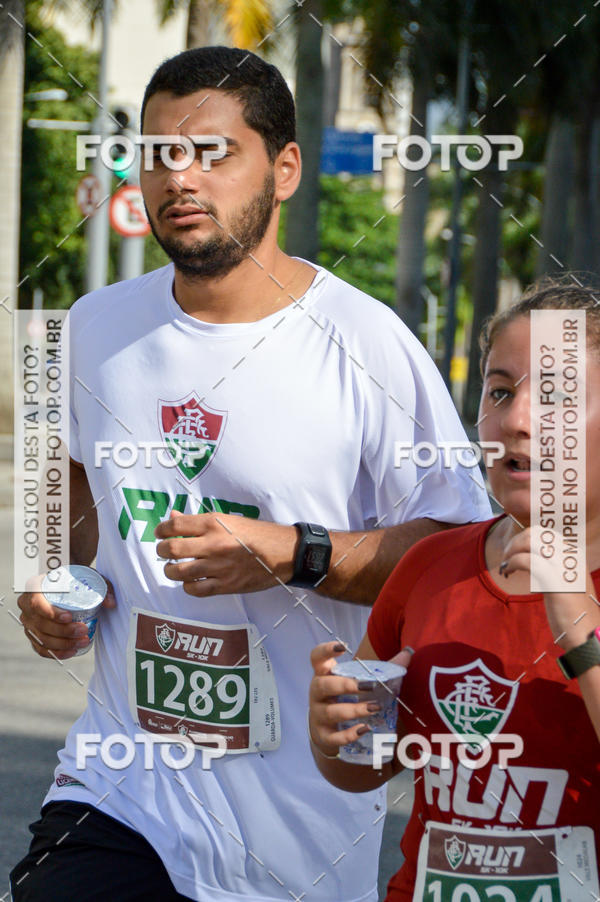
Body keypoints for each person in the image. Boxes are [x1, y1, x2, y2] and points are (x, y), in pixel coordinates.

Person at [12, 47, 490, 902]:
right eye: (159, 153)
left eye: (213, 152)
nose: (179, 177)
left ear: (285, 167)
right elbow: (70, 488)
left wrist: (293, 552)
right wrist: (53, 582)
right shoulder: (92, 327)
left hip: (297, 828)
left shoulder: (366, 344)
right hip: (123, 787)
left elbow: (454, 548)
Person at [309, 278, 600, 901]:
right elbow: (364, 768)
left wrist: (579, 621)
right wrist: (336, 729)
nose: (517, 421)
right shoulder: (430, 566)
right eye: (500, 392)